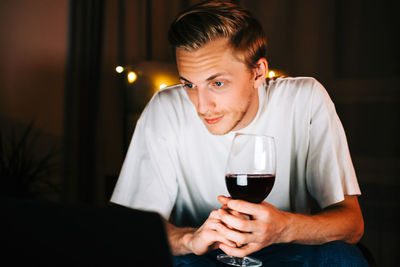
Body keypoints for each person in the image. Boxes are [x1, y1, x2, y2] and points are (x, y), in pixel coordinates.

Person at [111, 1, 368, 266]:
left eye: (217, 83)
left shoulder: (305, 98)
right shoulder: (166, 106)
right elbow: (131, 230)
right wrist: (190, 239)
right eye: (189, 84)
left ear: (258, 73)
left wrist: (284, 228)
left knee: (342, 257)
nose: (201, 106)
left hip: (289, 249)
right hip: (204, 257)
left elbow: (352, 224)